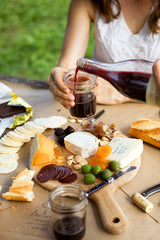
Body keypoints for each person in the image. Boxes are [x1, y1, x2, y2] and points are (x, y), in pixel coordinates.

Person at [47, 0, 160, 109]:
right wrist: (60, 79)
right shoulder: (87, 2)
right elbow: (68, 65)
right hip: (105, 112)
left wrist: (121, 94)